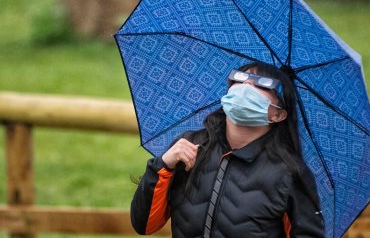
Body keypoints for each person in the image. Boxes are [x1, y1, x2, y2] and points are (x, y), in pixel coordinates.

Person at [130, 62, 325, 237]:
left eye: (262, 84)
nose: (247, 86)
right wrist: (163, 165)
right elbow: (144, 225)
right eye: (240, 78)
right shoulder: (189, 146)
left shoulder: (289, 173)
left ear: (278, 115)